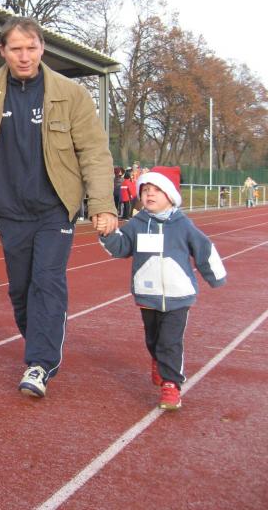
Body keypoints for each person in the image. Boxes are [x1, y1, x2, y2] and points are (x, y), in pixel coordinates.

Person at [0, 16, 117, 399]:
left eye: (31, 48)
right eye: (16, 49)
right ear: (3, 51)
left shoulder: (71, 94)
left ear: (42, 48)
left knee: (46, 281)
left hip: (55, 208)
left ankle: (40, 363)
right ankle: (41, 343)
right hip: (9, 208)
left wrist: (103, 204)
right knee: (20, 290)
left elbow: (94, 152)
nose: (25, 56)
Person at [97, 166, 226, 410]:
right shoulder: (137, 223)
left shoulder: (183, 224)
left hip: (178, 296)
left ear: (170, 195)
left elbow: (204, 248)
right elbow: (122, 248)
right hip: (148, 294)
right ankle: (158, 359)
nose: (150, 194)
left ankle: (171, 385)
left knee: (170, 341)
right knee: (153, 339)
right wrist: (107, 234)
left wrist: (215, 277)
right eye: (146, 189)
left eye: (157, 189)